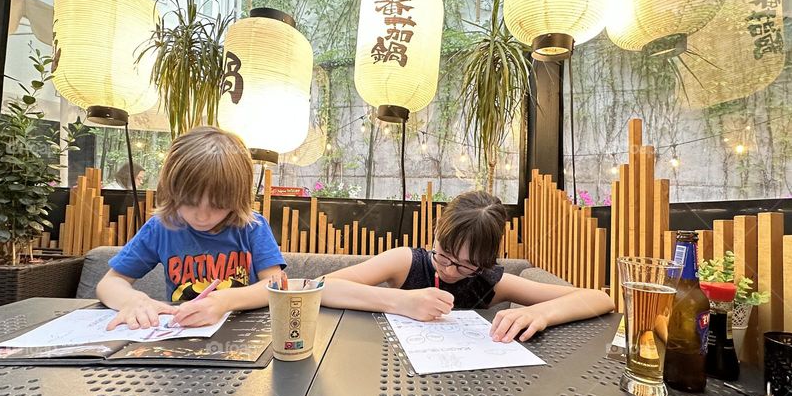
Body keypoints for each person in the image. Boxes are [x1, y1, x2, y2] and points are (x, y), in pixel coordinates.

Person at [320, 190, 615, 343]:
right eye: (444, 255)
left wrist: (541, 313)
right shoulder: (405, 261)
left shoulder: (491, 282)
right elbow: (321, 286)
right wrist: (402, 301)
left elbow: (600, 298)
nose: (449, 270)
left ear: (485, 262)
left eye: (466, 266)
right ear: (436, 232)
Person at [96, 126, 285, 330]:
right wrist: (132, 300)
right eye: (189, 201)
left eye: (218, 204)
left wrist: (225, 301)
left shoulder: (252, 226)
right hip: (179, 336)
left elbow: (275, 286)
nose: (202, 216)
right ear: (171, 190)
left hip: (242, 335)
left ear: (237, 198)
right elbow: (109, 283)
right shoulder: (161, 227)